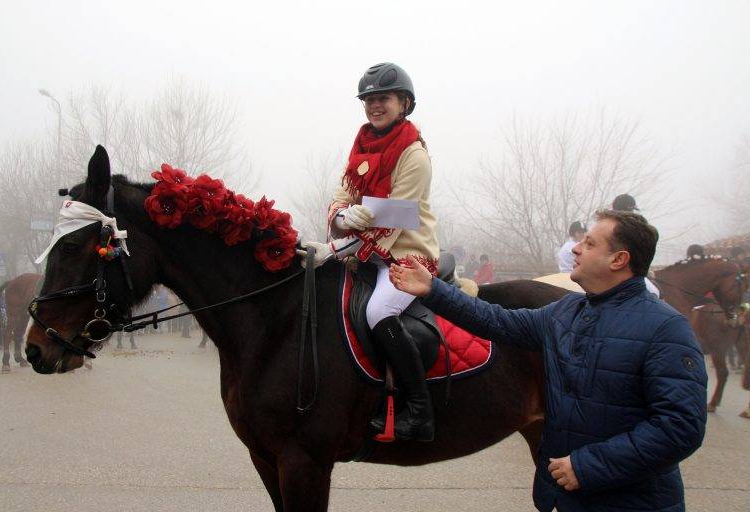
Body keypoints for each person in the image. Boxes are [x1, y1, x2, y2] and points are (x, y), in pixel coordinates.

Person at [389, 209, 707, 512]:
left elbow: (680, 427)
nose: (576, 249)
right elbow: (496, 321)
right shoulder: (566, 312)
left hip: (634, 502)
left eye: (590, 244)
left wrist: (587, 467)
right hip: (570, 497)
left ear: (618, 260)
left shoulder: (666, 328)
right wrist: (433, 289)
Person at [297, 62, 440, 441]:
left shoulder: (414, 155)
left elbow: (395, 218)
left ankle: (419, 411)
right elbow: (341, 196)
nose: (375, 106)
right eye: (369, 100)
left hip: (406, 255)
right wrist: (342, 215)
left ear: (404, 103)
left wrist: (333, 247)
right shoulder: (362, 144)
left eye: (384, 99)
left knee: (378, 311)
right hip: (364, 252)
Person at [611, 194, 660, 297]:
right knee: (655, 292)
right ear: (625, 209)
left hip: (615, 268)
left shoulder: (604, 223)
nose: (632, 213)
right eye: (631, 210)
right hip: (621, 270)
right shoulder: (627, 228)